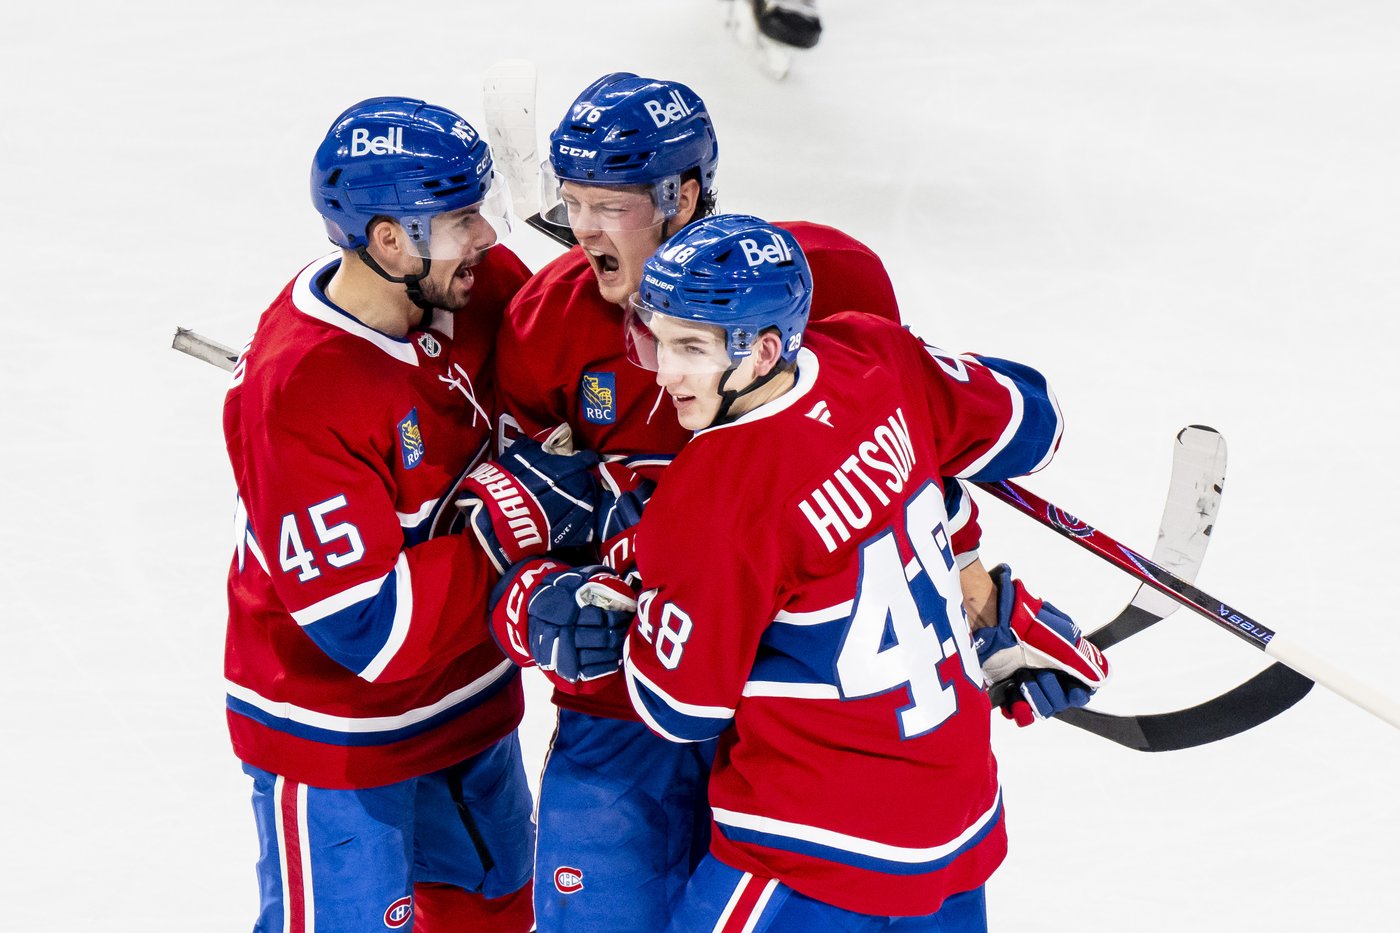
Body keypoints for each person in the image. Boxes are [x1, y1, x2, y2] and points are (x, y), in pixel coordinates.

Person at [489, 71, 912, 932]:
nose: (581, 231)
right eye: (572, 202)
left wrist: (968, 576)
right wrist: (540, 598)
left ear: (681, 195)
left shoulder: (826, 280)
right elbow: (506, 535)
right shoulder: (545, 323)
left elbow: (906, 463)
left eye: (609, 205)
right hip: (622, 700)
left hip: (788, 722)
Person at [599, 215, 1107, 929]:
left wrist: (633, 581)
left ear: (764, 348)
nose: (662, 370)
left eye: (690, 347)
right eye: (657, 336)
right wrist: (974, 582)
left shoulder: (710, 494)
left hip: (809, 850)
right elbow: (1037, 422)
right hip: (958, 824)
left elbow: (680, 705)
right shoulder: (877, 355)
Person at [221, 96, 600, 932]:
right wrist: (515, 517)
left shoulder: (480, 286)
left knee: (499, 914)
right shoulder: (297, 393)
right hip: (337, 738)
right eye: (463, 218)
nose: (490, 240)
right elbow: (371, 629)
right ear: (390, 241)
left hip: (469, 707)